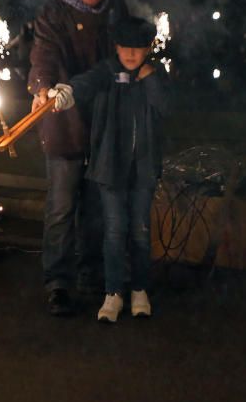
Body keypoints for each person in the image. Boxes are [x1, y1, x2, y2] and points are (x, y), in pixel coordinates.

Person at [49, 16, 169, 323]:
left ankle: (140, 289)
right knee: (114, 231)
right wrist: (66, 93)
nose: (130, 54)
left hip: (143, 169)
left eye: (138, 48)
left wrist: (150, 78)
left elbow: (164, 107)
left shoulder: (153, 75)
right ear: (116, 47)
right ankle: (113, 292)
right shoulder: (107, 71)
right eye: (125, 47)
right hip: (110, 169)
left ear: (148, 49)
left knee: (140, 232)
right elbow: (84, 83)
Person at [28, 0, 129, 316]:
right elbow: (43, 54)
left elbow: (121, 57)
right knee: (61, 206)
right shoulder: (53, 12)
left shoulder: (115, 8)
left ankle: (91, 272)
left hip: (103, 119)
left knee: (95, 206)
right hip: (63, 118)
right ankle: (58, 282)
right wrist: (42, 87)